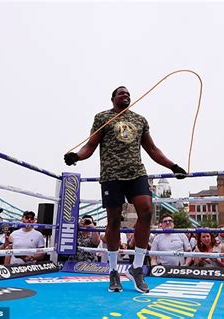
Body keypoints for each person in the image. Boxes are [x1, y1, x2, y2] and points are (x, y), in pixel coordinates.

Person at [64, 86, 187, 293]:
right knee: (113, 220)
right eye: (121, 93)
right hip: (111, 174)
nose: (126, 95)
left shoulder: (140, 120)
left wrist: (173, 167)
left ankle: (137, 268)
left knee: (147, 211)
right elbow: (91, 145)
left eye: (128, 93)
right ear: (112, 98)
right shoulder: (102, 117)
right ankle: (113, 271)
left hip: (137, 172)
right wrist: (77, 156)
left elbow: (152, 149)